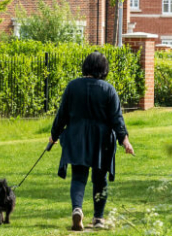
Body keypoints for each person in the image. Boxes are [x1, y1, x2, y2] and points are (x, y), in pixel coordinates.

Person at [48, 51, 134, 231]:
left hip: (77, 137)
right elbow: (117, 119)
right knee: (100, 179)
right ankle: (98, 218)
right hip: (102, 140)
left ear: (86, 66)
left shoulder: (72, 86)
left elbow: (62, 115)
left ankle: (77, 209)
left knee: (78, 176)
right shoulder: (108, 89)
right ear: (104, 69)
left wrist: (54, 135)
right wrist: (124, 140)